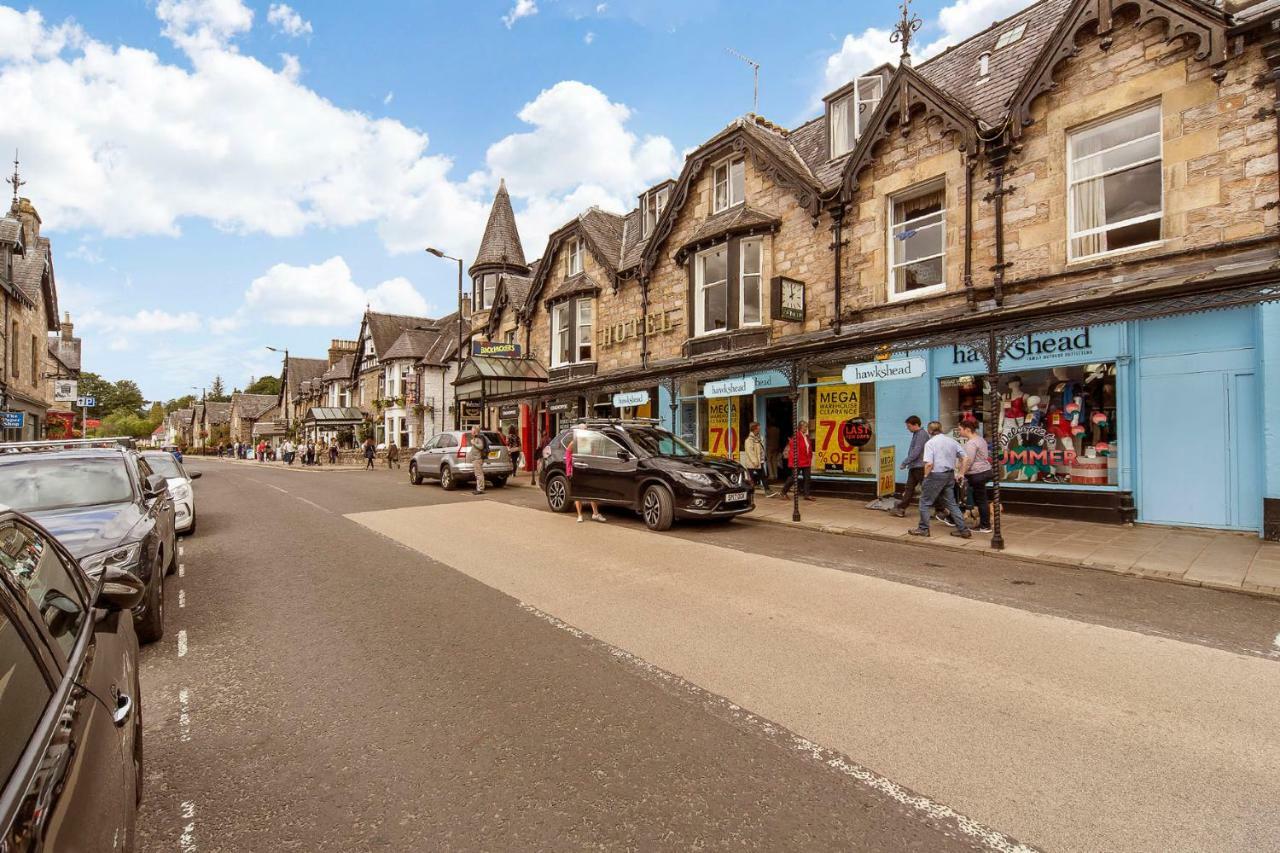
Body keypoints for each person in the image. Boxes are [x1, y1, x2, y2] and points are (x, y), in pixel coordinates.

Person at [909, 421, 971, 539]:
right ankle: (963, 530)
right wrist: (961, 473)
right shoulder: (951, 441)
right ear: (941, 429)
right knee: (952, 504)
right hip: (949, 475)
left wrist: (926, 476)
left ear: (929, 431)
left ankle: (923, 529)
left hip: (935, 475)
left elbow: (929, 464)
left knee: (924, 502)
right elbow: (965, 457)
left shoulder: (930, 443)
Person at [957, 418, 993, 533]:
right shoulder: (980, 439)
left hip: (977, 474)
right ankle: (984, 524)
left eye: (960, 429)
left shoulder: (971, 443)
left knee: (981, 500)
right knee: (981, 499)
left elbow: (968, 461)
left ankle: (985, 526)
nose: (959, 432)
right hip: (985, 471)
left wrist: (961, 473)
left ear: (967, 430)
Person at [891, 416, 929, 518]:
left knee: (925, 488)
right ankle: (901, 508)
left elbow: (916, 451)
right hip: (915, 466)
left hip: (919, 466)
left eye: (909, 426)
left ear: (916, 425)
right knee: (910, 488)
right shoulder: (918, 434)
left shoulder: (921, 434)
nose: (907, 428)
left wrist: (905, 462)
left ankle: (942, 509)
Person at [566, 430, 604, 523]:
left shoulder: (589, 442)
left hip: (587, 469)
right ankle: (579, 515)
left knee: (591, 491)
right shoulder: (574, 442)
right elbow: (568, 455)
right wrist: (569, 470)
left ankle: (595, 513)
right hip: (578, 469)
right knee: (578, 493)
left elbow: (593, 455)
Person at [779, 421, 815, 501]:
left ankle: (807, 494)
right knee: (793, 477)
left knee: (807, 478)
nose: (806, 428)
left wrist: (810, 458)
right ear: (800, 427)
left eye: (806, 426)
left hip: (806, 461)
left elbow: (808, 448)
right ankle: (783, 492)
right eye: (805, 426)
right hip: (798, 461)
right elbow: (793, 450)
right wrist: (796, 461)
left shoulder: (806, 436)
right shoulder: (796, 436)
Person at [742, 421, 775, 497]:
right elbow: (750, 452)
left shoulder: (758, 437)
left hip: (759, 461)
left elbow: (760, 449)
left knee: (763, 476)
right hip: (753, 463)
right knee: (750, 478)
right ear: (754, 428)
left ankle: (767, 490)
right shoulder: (749, 440)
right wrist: (755, 461)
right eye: (758, 427)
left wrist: (763, 458)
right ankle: (747, 492)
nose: (760, 428)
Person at [467, 425, 488, 495]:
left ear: (475, 431)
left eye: (472, 430)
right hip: (476, 458)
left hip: (477, 459)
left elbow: (481, 447)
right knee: (478, 474)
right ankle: (479, 488)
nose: (471, 431)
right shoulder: (476, 438)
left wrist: (473, 443)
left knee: (479, 474)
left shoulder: (478, 438)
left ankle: (480, 489)